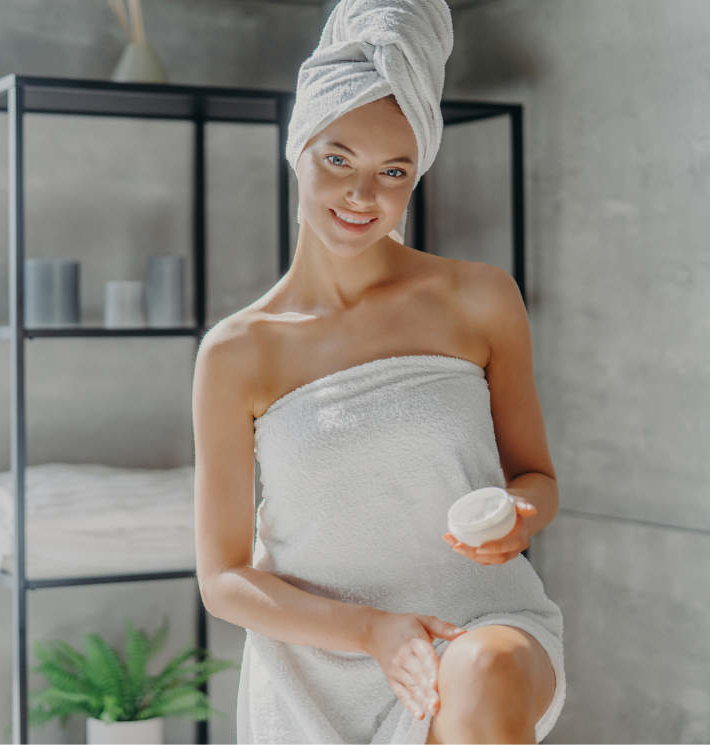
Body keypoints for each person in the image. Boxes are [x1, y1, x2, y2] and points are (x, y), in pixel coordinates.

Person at [192, 1, 565, 743]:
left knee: (484, 667)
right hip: (320, 665)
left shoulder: (478, 298)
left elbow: (536, 478)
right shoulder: (238, 352)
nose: (364, 197)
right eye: (338, 159)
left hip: (482, 628)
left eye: (393, 170)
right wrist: (370, 630)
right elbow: (224, 578)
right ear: (297, 148)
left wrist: (520, 516)